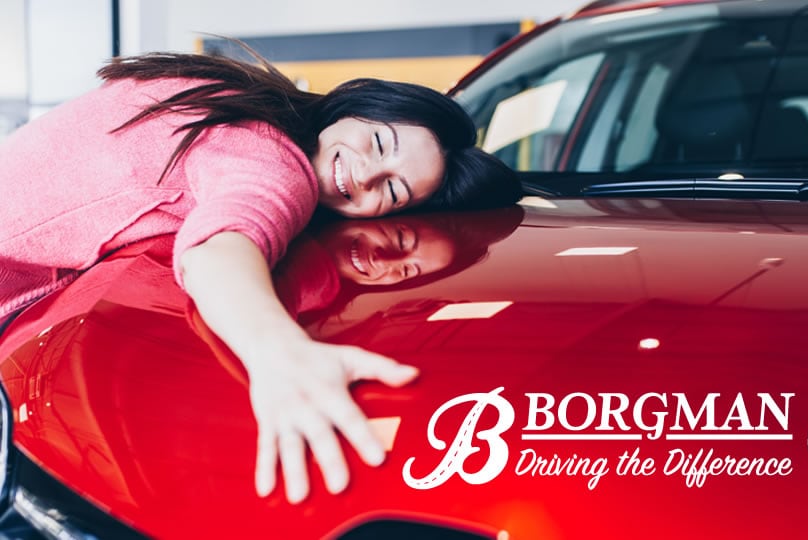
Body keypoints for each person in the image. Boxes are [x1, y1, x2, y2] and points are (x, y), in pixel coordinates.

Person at [0, 46, 522, 503]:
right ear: (360, 107)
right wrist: (280, 355)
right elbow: (220, 245)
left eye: (390, 192)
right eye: (380, 144)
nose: (364, 174)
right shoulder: (274, 163)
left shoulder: (230, 89)